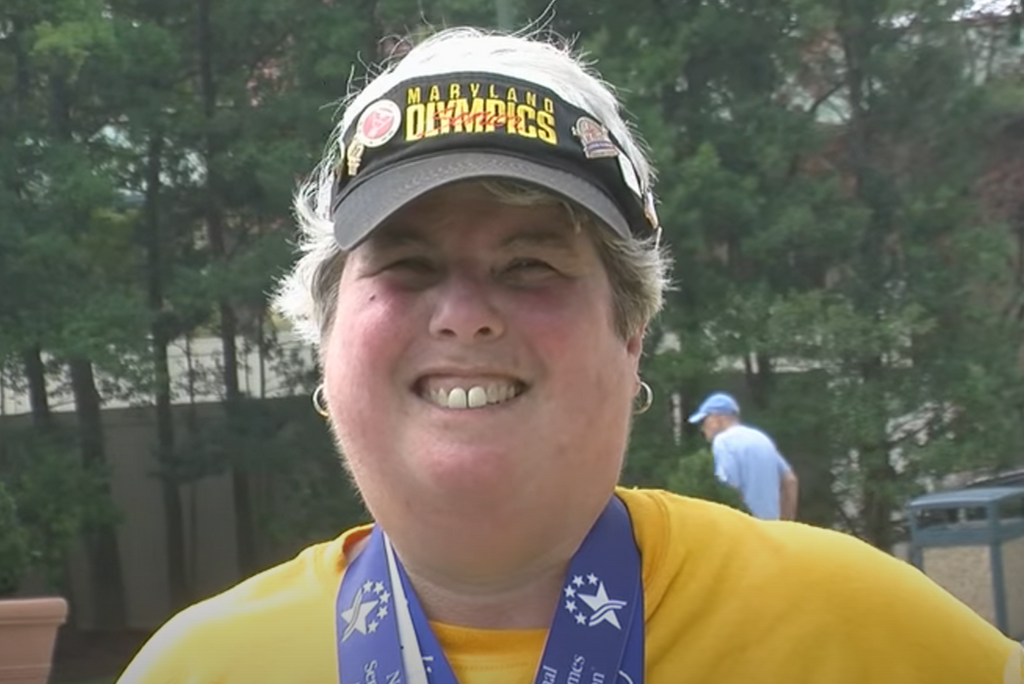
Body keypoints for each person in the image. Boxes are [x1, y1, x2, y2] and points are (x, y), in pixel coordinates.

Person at [115, 27, 1020, 684]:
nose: (465, 316)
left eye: (531, 265)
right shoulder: (194, 671)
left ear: (631, 335)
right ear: (325, 340)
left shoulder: (869, 639)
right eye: (409, 263)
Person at [688, 391, 799, 520]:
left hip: (744, 529)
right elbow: (790, 480)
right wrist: (786, 523)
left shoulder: (723, 441)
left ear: (718, 418)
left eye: (704, 421)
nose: (702, 428)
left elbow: (728, 488)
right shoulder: (761, 438)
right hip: (770, 530)